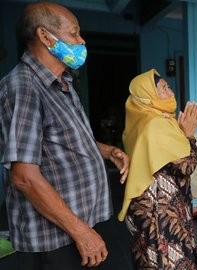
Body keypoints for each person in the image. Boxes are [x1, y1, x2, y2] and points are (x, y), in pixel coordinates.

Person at [0, 2, 129, 269]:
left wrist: (107, 151)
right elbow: (24, 176)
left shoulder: (63, 83)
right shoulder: (24, 87)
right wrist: (80, 231)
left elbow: (66, 138)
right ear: (46, 36)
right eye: (74, 33)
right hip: (56, 238)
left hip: (82, 221)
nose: (81, 41)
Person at [119, 69, 197, 269]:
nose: (171, 93)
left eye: (169, 87)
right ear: (148, 97)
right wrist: (189, 134)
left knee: (149, 260)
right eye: (164, 89)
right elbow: (186, 166)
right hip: (160, 212)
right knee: (169, 262)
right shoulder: (156, 124)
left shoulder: (141, 122)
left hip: (145, 210)